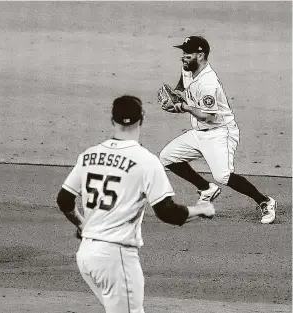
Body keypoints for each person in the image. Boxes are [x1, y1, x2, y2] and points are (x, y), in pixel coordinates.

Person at [56, 95, 215, 313]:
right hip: (116, 257)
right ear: (142, 119)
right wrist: (202, 209)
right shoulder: (146, 161)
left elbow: (64, 200)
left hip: (86, 256)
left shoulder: (88, 156)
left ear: (112, 121)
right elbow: (168, 213)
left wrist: (82, 224)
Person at [159, 35, 277, 224]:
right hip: (199, 132)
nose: (183, 57)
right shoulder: (188, 68)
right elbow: (183, 85)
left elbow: (208, 116)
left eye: (188, 54)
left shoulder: (208, 83)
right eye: (183, 52)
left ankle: (265, 201)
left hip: (220, 132)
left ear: (200, 55)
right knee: (167, 157)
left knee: (223, 175)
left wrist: (184, 107)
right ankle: (206, 188)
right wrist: (176, 97)